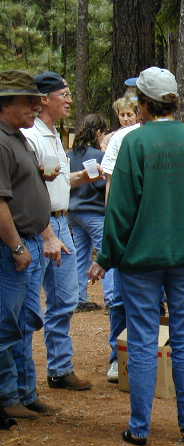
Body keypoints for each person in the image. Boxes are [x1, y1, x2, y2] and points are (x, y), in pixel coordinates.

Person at [89, 66, 184, 445]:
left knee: (143, 339)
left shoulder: (134, 143)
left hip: (141, 259)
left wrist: (107, 256)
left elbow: (120, 209)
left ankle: (139, 427)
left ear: (143, 103)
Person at [22, 71, 96, 391]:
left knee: (65, 298)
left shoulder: (55, 134)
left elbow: (56, 181)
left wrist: (83, 177)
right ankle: (20, 383)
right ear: (43, 99)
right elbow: (28, 188)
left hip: (63, 222)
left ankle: (60, 368)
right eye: (63, 95)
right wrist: (46, 234)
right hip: (40, 224)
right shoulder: (31, 136)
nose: (69, 100)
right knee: (27, 305)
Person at [0, 70, 56, 424]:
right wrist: (17, 247)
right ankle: (7, 397)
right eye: (28, 101)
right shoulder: (1, 142)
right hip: (12, 249)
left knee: (23, 322)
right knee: (6, 325)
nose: (36, 106)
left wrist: (45, 235)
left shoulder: (17, 137)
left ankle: (24, 392)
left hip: (29, 242)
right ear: (5, 104)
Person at [100, 89, 142, 383]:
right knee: (118, 296)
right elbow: (110, 181)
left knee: (155, 296)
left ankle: (153, 353)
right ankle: (118, 356)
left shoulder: (160, 136)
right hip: (124, 226)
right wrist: (111, 219)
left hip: (152, 229)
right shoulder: (119, 139)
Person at [68, 113, 113, 312]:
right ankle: (112, 298)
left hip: (73, 213)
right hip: (93, 212)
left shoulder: (70, 155)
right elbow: (100, 185)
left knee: (81, 255)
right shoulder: (98, 156)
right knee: (107, 252)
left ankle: (79, 297)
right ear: (98, 132)